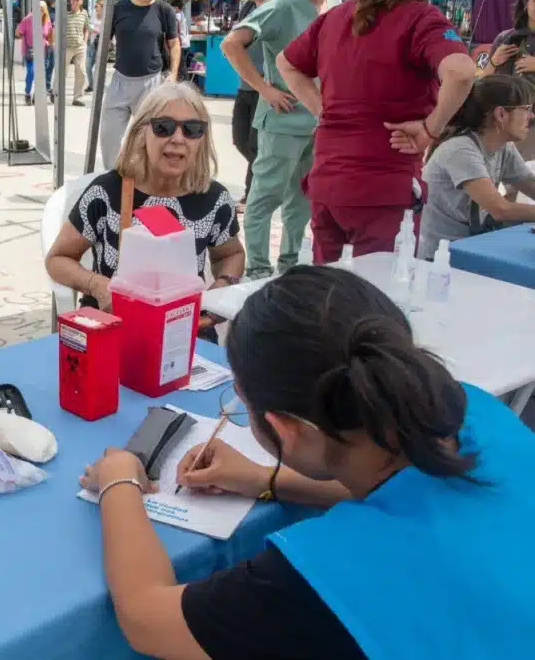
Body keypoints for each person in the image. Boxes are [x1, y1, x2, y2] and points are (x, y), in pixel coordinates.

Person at [79, 264, 535, 659]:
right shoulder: (472, 410)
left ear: (285, 430)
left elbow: (145, 619)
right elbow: (414, 494)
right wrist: (266, 479)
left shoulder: (330, 579)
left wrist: (120, 481)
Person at [278, 0, 476, 264]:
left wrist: (325, 111)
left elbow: (287, 62)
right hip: (384, 185)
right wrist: (430, 129)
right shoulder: (420, 17)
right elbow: (461, 73)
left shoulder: (337, 16)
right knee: (379, 294)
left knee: (327, 291)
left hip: (328, 181)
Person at [46, 82, 245, 337]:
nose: (177, 139)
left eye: (192, 130)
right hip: (110, 326)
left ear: (202, 140)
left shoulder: (214, 198)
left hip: (184, 329)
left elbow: (230, 255)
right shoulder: (107, 192)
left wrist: (223, 285)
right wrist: (98, 286)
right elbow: (58, 259)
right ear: (142, 133)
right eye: (164, 127)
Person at [221, 0, 343, 280]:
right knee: (265, 198)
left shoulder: (335, 2)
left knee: (301, 201)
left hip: (317, 122)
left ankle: (288, 267)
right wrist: (264, 89)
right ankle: (258, 271)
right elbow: (231, 44)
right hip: (283, 120)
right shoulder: (283, 5)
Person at [419, 75, 535, 258]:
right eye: (527, 109)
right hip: (440, 258)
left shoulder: (503, 147)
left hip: (473, 247)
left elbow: (530, 184)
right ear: (501, 114)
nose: (532, 116)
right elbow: (500, 209)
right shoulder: (460, 149)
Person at [100, 0, 180, 169]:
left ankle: (149, 179)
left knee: (150, 139)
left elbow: (174, 43)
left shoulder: (163, 10)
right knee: (109, 137)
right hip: (120, 81)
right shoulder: (118, 9)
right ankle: (113, 178)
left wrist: (173, 74)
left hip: (151, 82)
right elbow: (104, 40)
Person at [481, 0, 535, 199]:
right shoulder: (506, 38)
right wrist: (494, 61)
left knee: (520, 184)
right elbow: (482, 81)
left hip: (529, 127)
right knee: (489, 182)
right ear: (525, 3)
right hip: (497, 124)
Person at [231, 0, 275, 214]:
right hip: (244, 86)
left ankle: (252, 196)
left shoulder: (278, 9)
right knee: (239, 140)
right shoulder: (246, 8)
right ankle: (266, 184)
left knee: (254, 144)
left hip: (265, 88)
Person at [15, 1, 53, 106]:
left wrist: (48, 43)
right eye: (38, 8)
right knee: (31, 73)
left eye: (42, 9)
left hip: (43, 51)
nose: (40, 11)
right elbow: (18, 32)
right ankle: (27, 93)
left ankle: (37, 95)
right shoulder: (28, 19)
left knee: (40, 75)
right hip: (30, 51)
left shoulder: (46, 20)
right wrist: (22, 35)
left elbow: (50, 36)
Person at [63, 0, 91, 107]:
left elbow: (87, 28)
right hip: (66, 47)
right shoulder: (65, 13)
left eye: (77, 0)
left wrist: (85, 41)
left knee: (81, 72)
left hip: (80, 47)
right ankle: (56, 94)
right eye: (72, 0)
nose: (74, 2)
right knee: (62, 72)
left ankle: (77, 97)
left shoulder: (84, 14)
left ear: (81, 2)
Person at [85, 0, 104, 94]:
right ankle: (91, 85)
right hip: (91, 44)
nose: (96, 8)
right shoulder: (93, 15)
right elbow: (89, 26)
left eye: (97, 6)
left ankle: (98, 86)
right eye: (95, 6)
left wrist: (96, 30)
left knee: (99, 68)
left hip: (101, 45)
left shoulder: (107, 17)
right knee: (88, 67)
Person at [173, 1, 191, 81]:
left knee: (181, 66)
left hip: (181, 44)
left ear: (176, 7)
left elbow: (175, 30)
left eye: (172, 7)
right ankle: (184, 82)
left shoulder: (177, 16)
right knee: (183, 65)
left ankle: (186, 83)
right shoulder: (182, 14)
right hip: (186, 43)